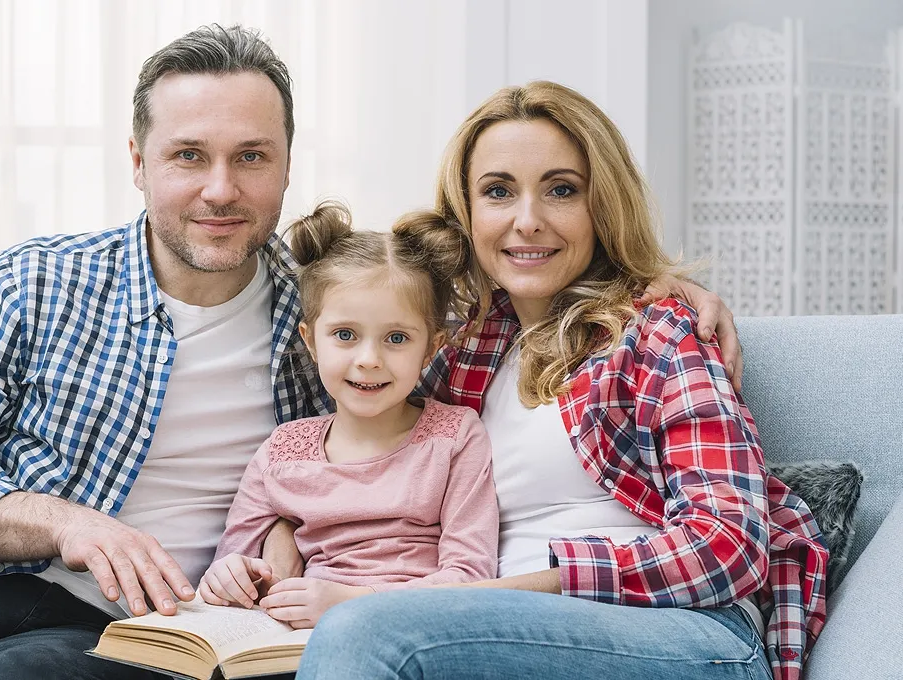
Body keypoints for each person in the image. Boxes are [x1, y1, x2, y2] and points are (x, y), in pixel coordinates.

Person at [0, 24, 744, 680]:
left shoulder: (331, 319)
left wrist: (659, 288)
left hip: (137, 626)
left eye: (251, 156)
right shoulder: (33, 282)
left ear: (287, 166)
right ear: (138, 162)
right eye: (189, 157)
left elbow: (455, 289)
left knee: (18, 678)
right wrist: (65, 520)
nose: (220, 188)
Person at [296, 81, 829, 680]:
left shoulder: (656, 334)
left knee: (366, 631)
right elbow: (354, 428)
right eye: (498, 191)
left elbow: (729, 546)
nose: (528, 221)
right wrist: (276, 545)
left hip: (685, 633)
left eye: (561, 190)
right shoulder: (463, 353)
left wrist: (509, 591)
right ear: (467, 214)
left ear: (603, 206)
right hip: (491, 629)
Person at [198, 202, 497, 628]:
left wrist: (350, 602)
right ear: (311, 341)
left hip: (416, 630)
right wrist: (230, 576)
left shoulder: (454, 437)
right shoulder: (281, 452)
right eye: (345, 335)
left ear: (431, 348)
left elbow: (471, 576)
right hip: (292, 638)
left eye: (397, 338)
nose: (368, 359)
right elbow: (230, 565)